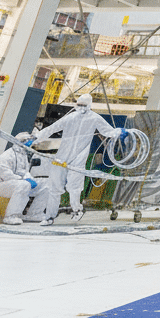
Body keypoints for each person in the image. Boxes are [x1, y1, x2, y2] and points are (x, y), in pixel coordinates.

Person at [28, 93, 124, 224]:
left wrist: (119, 132)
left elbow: (108, 131)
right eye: (79, 105)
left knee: (74, 187)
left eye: (84, 105)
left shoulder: (94, 118)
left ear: (89, 105)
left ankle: (77, 210)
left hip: (78, 159)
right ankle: (49, 217)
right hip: (62, 158)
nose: (81, 108)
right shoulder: (70, 117)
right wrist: (35, 138)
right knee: (54, 188)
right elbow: (51, 129)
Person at [0, 132, 41, 225]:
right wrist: (23, 180)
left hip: (16, 184)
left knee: (45, 185)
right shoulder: (6, 156)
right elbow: (6, 175)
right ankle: (10, 216)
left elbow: (24, 171)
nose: (29, 144)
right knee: (24, 185)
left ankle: (34, 213)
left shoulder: (23, 155)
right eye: (27, 141)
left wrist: (29, 178)